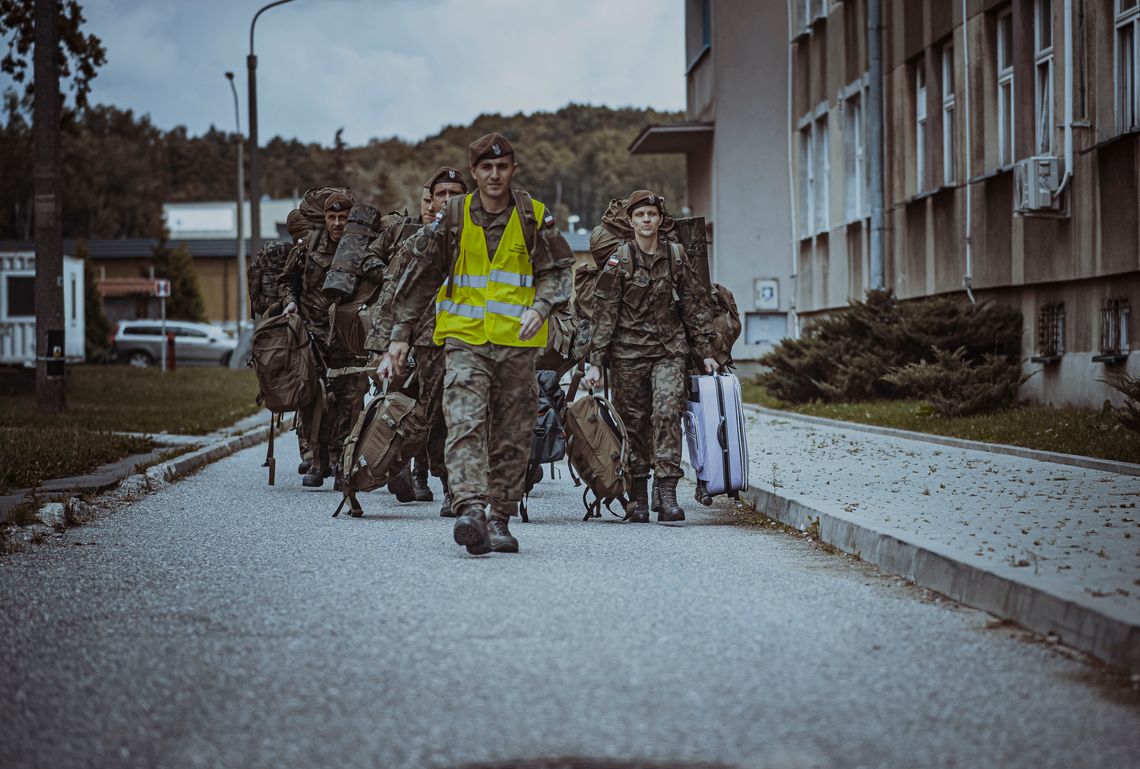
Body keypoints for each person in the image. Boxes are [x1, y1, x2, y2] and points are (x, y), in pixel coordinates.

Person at [384, 133, 574, 554]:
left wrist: (541, 307)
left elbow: (559, 270)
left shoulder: (533, 215)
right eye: (485, 167)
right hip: (465, 341)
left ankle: (500, 519)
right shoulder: (452, 217)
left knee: (512, 434)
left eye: (502, 166)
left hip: (517, 346)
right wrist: (399, 336)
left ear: (513, 170)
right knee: (464, 422)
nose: (494, 174)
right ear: (474, 172)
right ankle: (470, 507)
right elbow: (420, 279)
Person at [582, 190, 718, 523]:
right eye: (640, 215)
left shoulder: (676, 255)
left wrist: (706, 353)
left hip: (669, 351)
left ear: (660, 220)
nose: (646, 220)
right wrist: (596, 361)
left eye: (651, 215)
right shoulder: (620, 259)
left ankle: (668, 493)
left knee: (668, 411)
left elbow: (694, 305)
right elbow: (605, 313)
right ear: (631, 222)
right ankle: (639, 497)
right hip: (628, 354)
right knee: (634, 423)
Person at [365, 167, 468, 509]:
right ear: (432, 200)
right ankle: (423, 473)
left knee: (465, 415)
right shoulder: (417, 242)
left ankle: (458, 489)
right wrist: (383, 349)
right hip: (430, 342)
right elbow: (392, 293)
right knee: (435, 415)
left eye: (456, 193)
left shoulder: (483, 239)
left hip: (474, 340)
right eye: (442, 193)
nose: (449, 199)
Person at [279, 190, 370, 488]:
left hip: (348, 337)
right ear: (325, 219)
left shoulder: (360, 247)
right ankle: (318, 462)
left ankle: (342, 465)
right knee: (314, 399)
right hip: (314, 337)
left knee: (348, 402)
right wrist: (289, 303)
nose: (338, 224)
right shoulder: (309, 246)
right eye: (332, 217)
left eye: (343, 218)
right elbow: (287, 280)